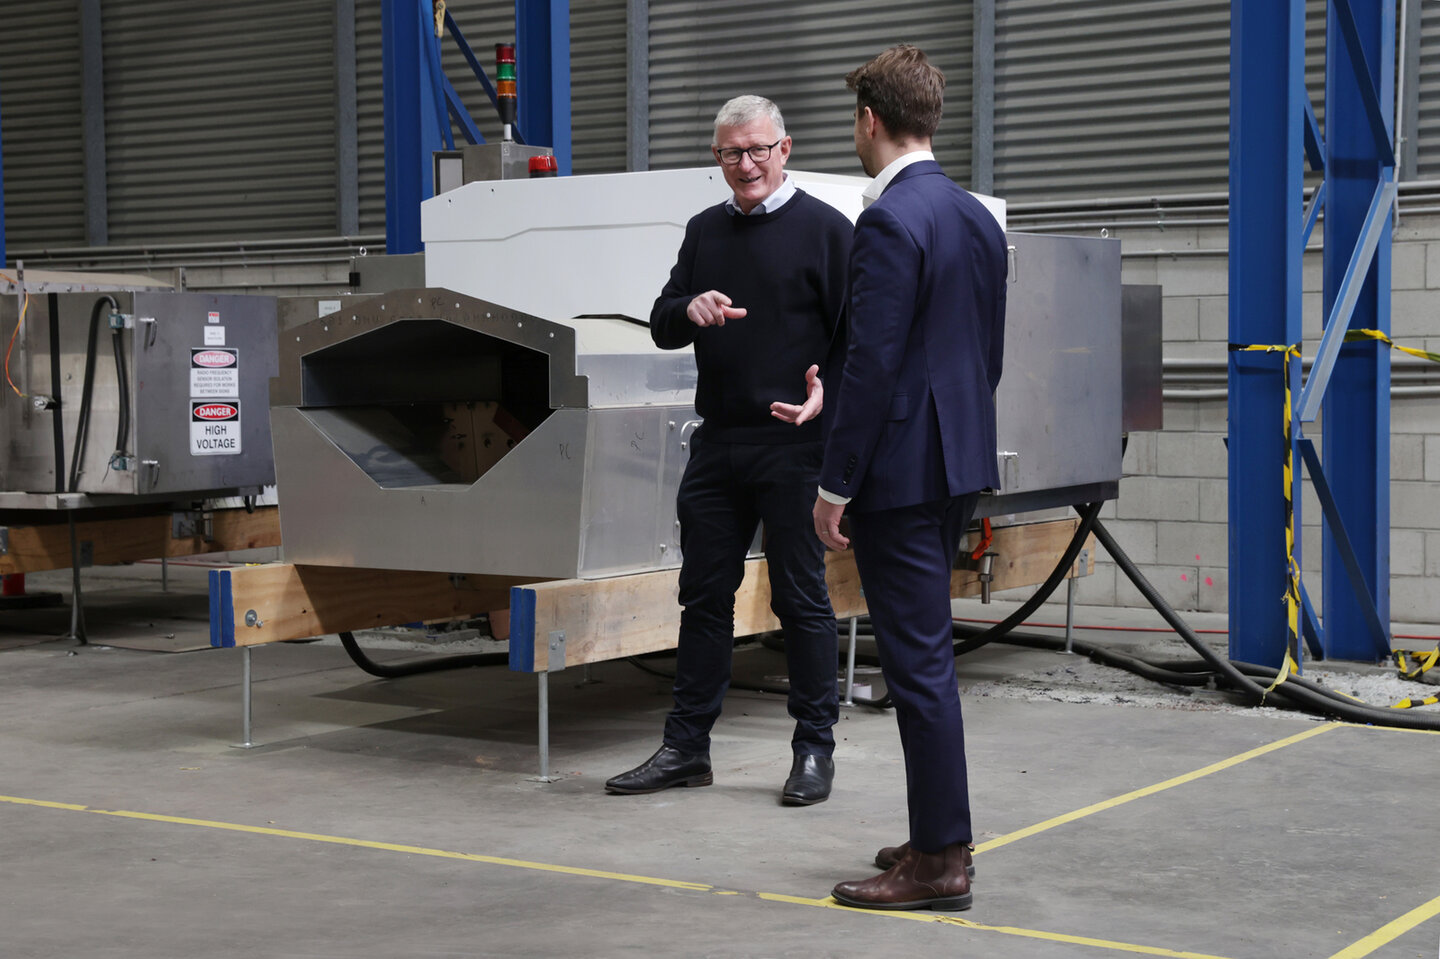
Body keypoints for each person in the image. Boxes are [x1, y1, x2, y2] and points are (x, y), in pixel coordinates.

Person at [605, 95, 853, 806]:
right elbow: (662, 323)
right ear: (716, 157)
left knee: (801, 600)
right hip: (717, 445)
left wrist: (827, 394)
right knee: (703, 597)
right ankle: (686, 748)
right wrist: (688, 309)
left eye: (757, 150)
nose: (745, 164)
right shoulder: (704, 231)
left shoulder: (828, 232)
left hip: (794, 446)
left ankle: (814, 750)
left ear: (785, 149)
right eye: (730, 153)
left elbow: (860, 341)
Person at [813, 46, 1008, 911]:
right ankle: (937, 830)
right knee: (926, 660)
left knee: (917, 665)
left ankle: (938, 861)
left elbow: (872, 364)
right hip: (955, 459)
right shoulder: (974, 217)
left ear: (870, 120)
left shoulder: (890, 221)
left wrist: (836, 484)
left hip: (897, 473)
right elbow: (984, 354)